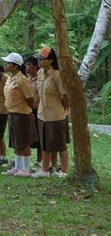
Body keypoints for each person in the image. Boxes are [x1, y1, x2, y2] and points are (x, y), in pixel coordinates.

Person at [32, 47, 70, 178]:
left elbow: (65, 96)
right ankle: (45, 170)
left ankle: (64, 172)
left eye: (42, 59)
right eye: (38, 58)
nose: (39, 61)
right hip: (43, 114)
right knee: (45, 144)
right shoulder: (40, 73)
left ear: (51, 60)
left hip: (56, 115)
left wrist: (65, 109)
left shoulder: (57, 75)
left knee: (60, 144)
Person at [1, 53, 38, 177]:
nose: (5, 64)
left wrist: (30, 110)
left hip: (22, 114)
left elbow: (29, 98)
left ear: (16, 66)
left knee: (24, 142)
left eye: (8, 63)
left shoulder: (22, 80)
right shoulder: (10, 78)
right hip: (12, 114)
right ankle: (17, 167)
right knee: (16, 142)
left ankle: (25, 168)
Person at [24, 55, 42, 168]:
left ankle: (40, 160)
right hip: (27, 109)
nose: (26, 67)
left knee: (40, 135)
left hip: (38, 109)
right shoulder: (27, 78)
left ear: (36, 66)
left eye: (29, 65)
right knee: (28, 135)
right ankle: (24, 159)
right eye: (26, 65)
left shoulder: (41, 78)